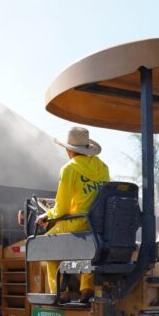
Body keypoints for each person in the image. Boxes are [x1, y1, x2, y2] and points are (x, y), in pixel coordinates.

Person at [35, 125, 110, 302]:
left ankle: (61, 291)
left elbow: (61, 208)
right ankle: (86, 288)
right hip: (98, 225)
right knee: (87, 251)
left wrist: (46, 215)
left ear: (70, 150)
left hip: (77, 223)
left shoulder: (69, 169)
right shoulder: (103, 167)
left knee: (47, 247)